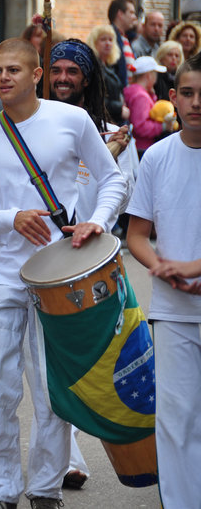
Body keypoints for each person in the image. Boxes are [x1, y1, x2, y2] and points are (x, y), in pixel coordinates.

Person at [0, 38, 126, 509]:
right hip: (3, 277)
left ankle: (45, 488)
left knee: (53, 386)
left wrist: (98, 221)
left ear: (36, 75)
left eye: (13, 69)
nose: (3, 78)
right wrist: (10, 218)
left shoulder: (70, 120)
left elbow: (112, 179)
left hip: (61, 275)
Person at [47, 38, 140, 490]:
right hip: (45, 263)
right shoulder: (30, 128)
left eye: (72, 71)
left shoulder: (115, 135)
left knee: (93, 363)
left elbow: (127, 196)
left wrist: (114, 158)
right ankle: (66, 457)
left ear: (87, 77)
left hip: (96, 263)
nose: (63, 79)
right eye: (56, 70)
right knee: (49, 363)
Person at [125, 51, 201, 509]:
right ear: (171, 98)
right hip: (174, 310)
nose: (196, 103)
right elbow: (136, 235)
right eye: (187, 94)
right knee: (175, 418)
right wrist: (161, 266)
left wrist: (192, 267)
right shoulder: (156, 156)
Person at [124, 55, 176, 155]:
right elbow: (140, 126)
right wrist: (163, 126)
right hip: (142, 148)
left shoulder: (135, 91)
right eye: (155, 74)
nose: (156, 78)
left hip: (138, 146)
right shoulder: (141, 96)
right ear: (149, 75)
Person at [87, 24, 129, 124]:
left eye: (110, 40)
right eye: (103, 39)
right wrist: (119, 108)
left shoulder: (108, 66)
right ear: (94, 43)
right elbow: (97, 99)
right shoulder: (94, 67)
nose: (108, 43)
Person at [108, 0, 138, 87]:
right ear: (120, 14)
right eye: (131, 13)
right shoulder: (110, 38)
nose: (134, 17)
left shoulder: (127, 38)